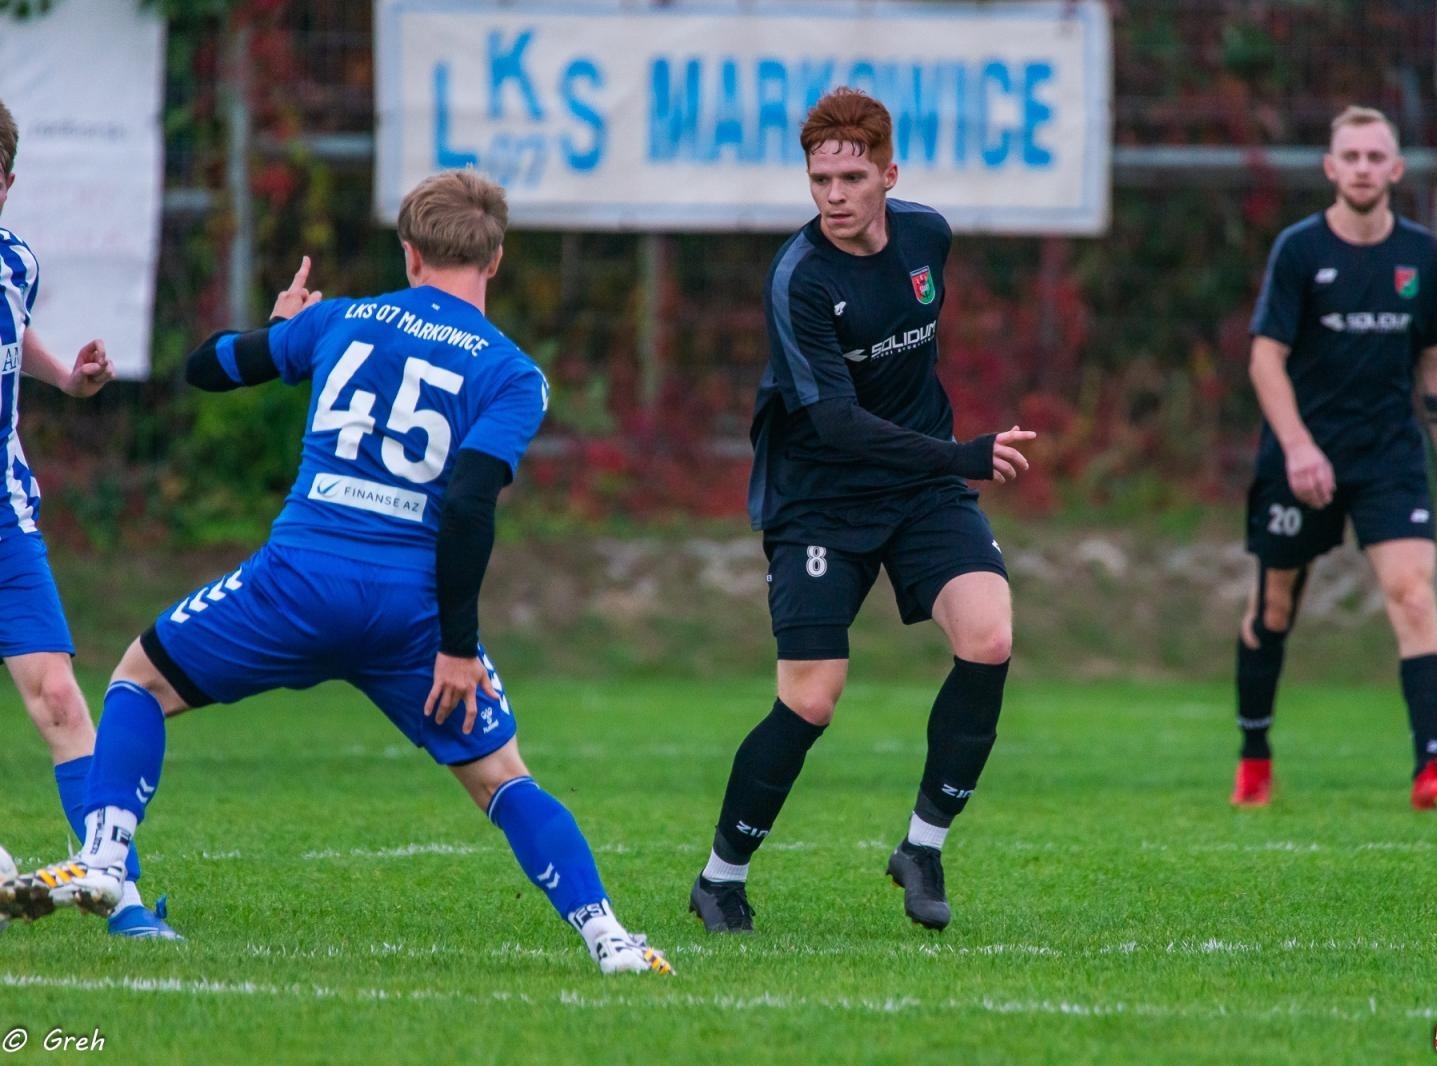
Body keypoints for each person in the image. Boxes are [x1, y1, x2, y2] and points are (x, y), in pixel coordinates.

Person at [0, 169, 673, 975]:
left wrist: (282, 327)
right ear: (494, 260)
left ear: (409, 252)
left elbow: (206, 367)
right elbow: (468, 505)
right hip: (408, 615)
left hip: (295, 583)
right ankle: (610, 940)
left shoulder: (344, 320)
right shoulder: (513, 373)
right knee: (502, 779)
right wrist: (458, 647)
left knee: (139, 681)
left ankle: (106, 859)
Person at [688, 88, 1036, 934]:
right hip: (821, 497)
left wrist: (942, 463)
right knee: (812, 699)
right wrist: (961, 456)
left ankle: (922, 847)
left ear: (889, 174)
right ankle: (720, 879)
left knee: (989, 637)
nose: (834, 196)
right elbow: (837, 424)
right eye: (820, 181)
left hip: (918, 488)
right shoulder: (799, 278)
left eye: (851, 178)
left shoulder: (928, 237)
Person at [1231, 105, 1437, 811]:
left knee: (1414, 594)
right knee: (1273, 609)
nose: (1363, 168)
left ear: (1395, 170)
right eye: (1351, 157)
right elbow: (1265, 359)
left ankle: (1430, 773)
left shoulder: (1424, 257)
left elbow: (1435, 358)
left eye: (1375, 157)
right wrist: (1299, 447)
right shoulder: (1300, 251)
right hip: (1301, 459)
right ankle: (1254, 759)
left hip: (1389, 459)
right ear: (1331, 168)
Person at [0, 98, 178, 938]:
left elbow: (14, 338)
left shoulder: (16, 261)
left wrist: (67, 380)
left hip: (5, 519)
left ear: (7, 185)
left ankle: (122, 897)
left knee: (61, 698)